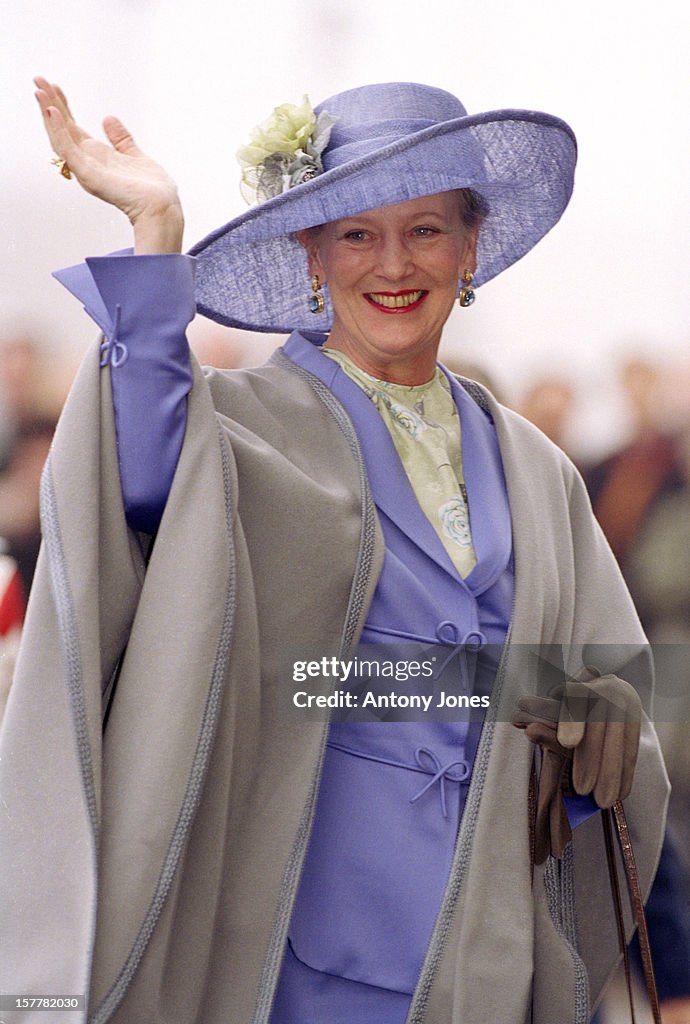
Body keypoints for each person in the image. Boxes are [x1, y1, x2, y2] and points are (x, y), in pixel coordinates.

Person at [0, 79, 669, 1024]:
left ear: (472, 248)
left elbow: (617, 687)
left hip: (489, 963)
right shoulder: (242, 430)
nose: (393, 263)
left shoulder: (539, 469)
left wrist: (592, 709)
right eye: (357, 233)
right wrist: (157, 238)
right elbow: (142, 484)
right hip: (296, 970)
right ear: (312, 253)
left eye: (428, 229)